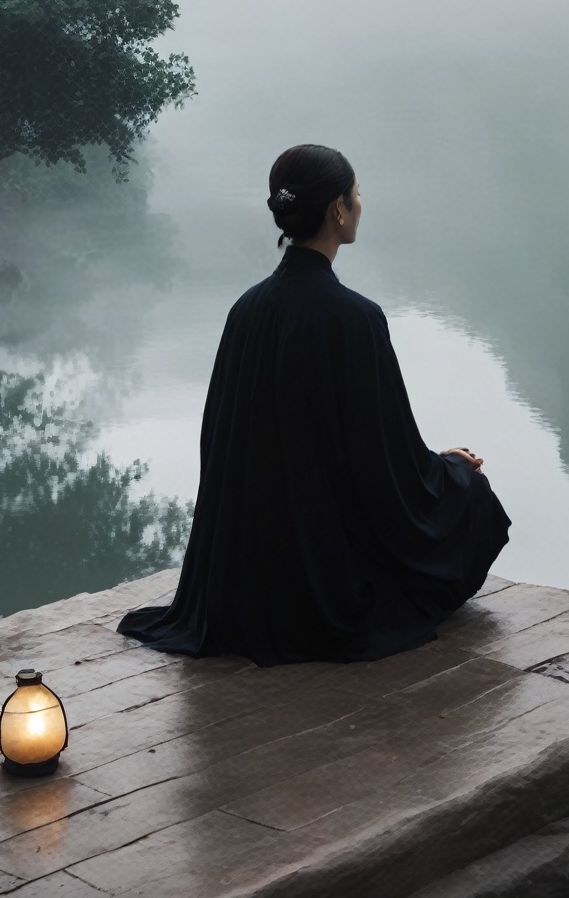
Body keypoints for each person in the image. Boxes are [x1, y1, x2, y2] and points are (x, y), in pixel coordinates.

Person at [119, 144, 510, 665]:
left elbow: (218, 445)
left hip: (241, 576)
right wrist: (446, 468)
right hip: (324, 581)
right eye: (356, 193)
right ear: (338, 210)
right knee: (473, 497)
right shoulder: (355, 319)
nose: (360, 203)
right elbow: (385, 465)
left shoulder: (247, 310)